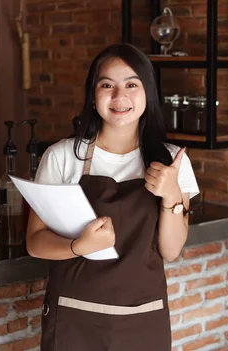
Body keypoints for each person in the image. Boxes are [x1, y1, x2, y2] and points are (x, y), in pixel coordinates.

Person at [26, 43, 199, 351]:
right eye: (107, 85)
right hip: (73, 319)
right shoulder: (63, 156)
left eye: (132, 84)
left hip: (142, 320)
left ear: (148, 93)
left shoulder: (172, 162)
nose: (120, 97)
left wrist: (171, 195)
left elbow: (171, 250)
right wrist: (78, 246)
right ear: (93, 96)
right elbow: (35, 242)